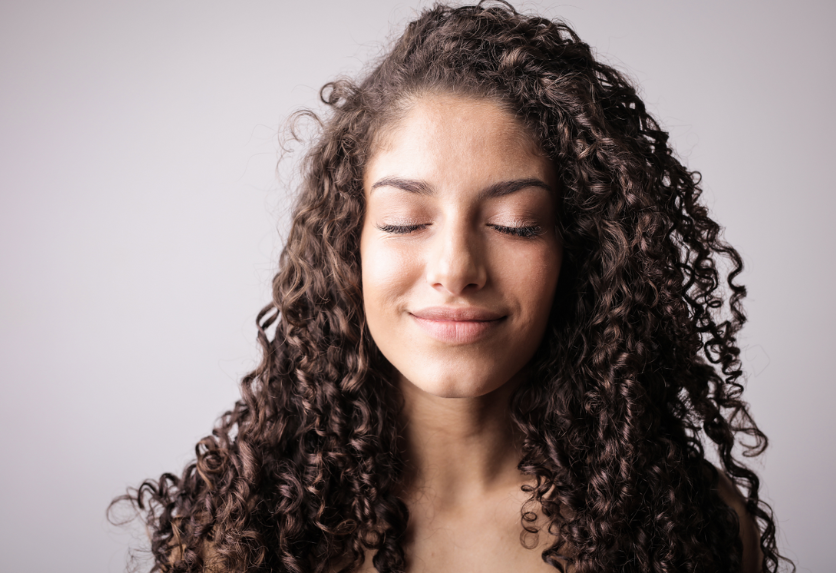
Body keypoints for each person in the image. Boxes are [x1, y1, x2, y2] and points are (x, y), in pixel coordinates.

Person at [112, 2, 792, 572]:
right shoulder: (240, 534)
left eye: (513, 223)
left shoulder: (688, 528)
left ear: (577, 251)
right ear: (345, 248)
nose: (455, 266)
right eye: (407, 221)